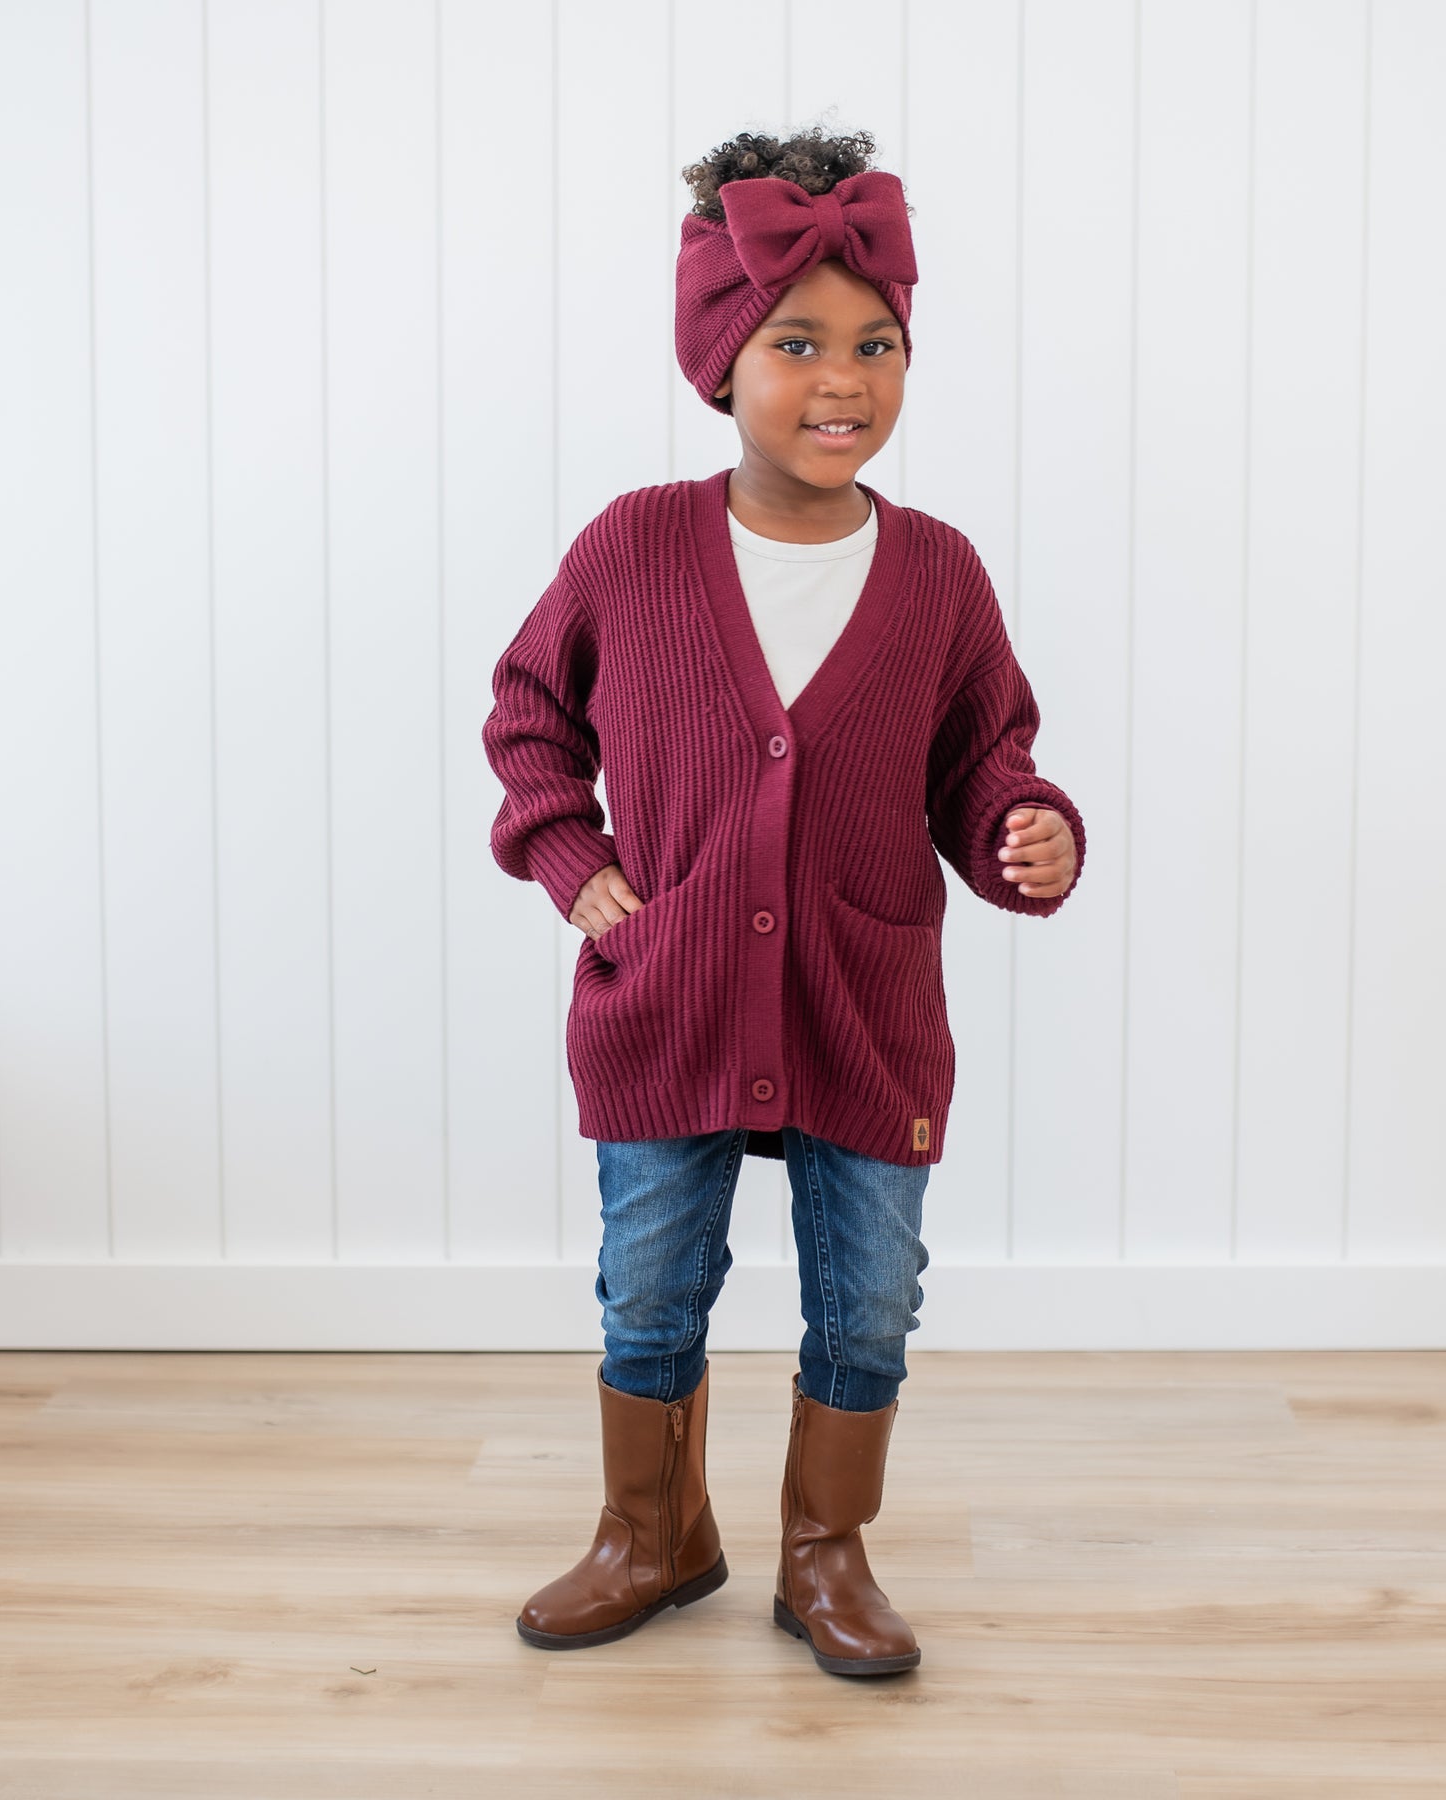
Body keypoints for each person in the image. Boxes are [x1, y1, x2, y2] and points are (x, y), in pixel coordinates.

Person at [481, 125, 1085, 1678]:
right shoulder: (634, 547)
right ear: (718, 360)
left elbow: (984, 756)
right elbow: (530, 712)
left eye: (878, 345)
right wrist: (572, 863)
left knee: (871, 1296)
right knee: (650, 1285)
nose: (845, 380)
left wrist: (1028, 825)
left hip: (863, 1007)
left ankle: (827, 1552)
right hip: (667, 993)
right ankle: (653, 1535)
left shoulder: (939, 574)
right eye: (798, 342)